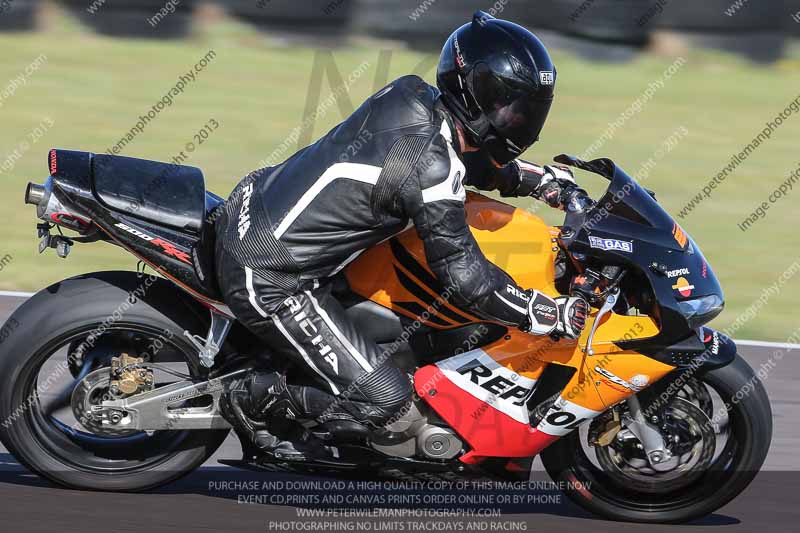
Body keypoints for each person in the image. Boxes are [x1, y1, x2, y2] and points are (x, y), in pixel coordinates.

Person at [214, 11, 589, 461]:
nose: (518, 121)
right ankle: (253, 396)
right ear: (474, 94)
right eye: (509, 107)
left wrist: (535, 180)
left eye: (527, 110)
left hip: (253, 206)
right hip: (271, 278)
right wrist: (536, 311)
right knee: (388, 401)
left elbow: (457, 161)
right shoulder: (430, 164)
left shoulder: (410, 95)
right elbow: (464, 274)